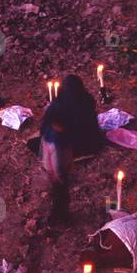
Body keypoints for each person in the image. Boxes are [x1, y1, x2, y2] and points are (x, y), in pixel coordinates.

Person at [39, 75, 106, 224]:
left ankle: (60, 214)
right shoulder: (87, 99)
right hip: (86, 143)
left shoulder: (57, 105)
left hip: (66, 143)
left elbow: (44, 128)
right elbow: (92, 124)